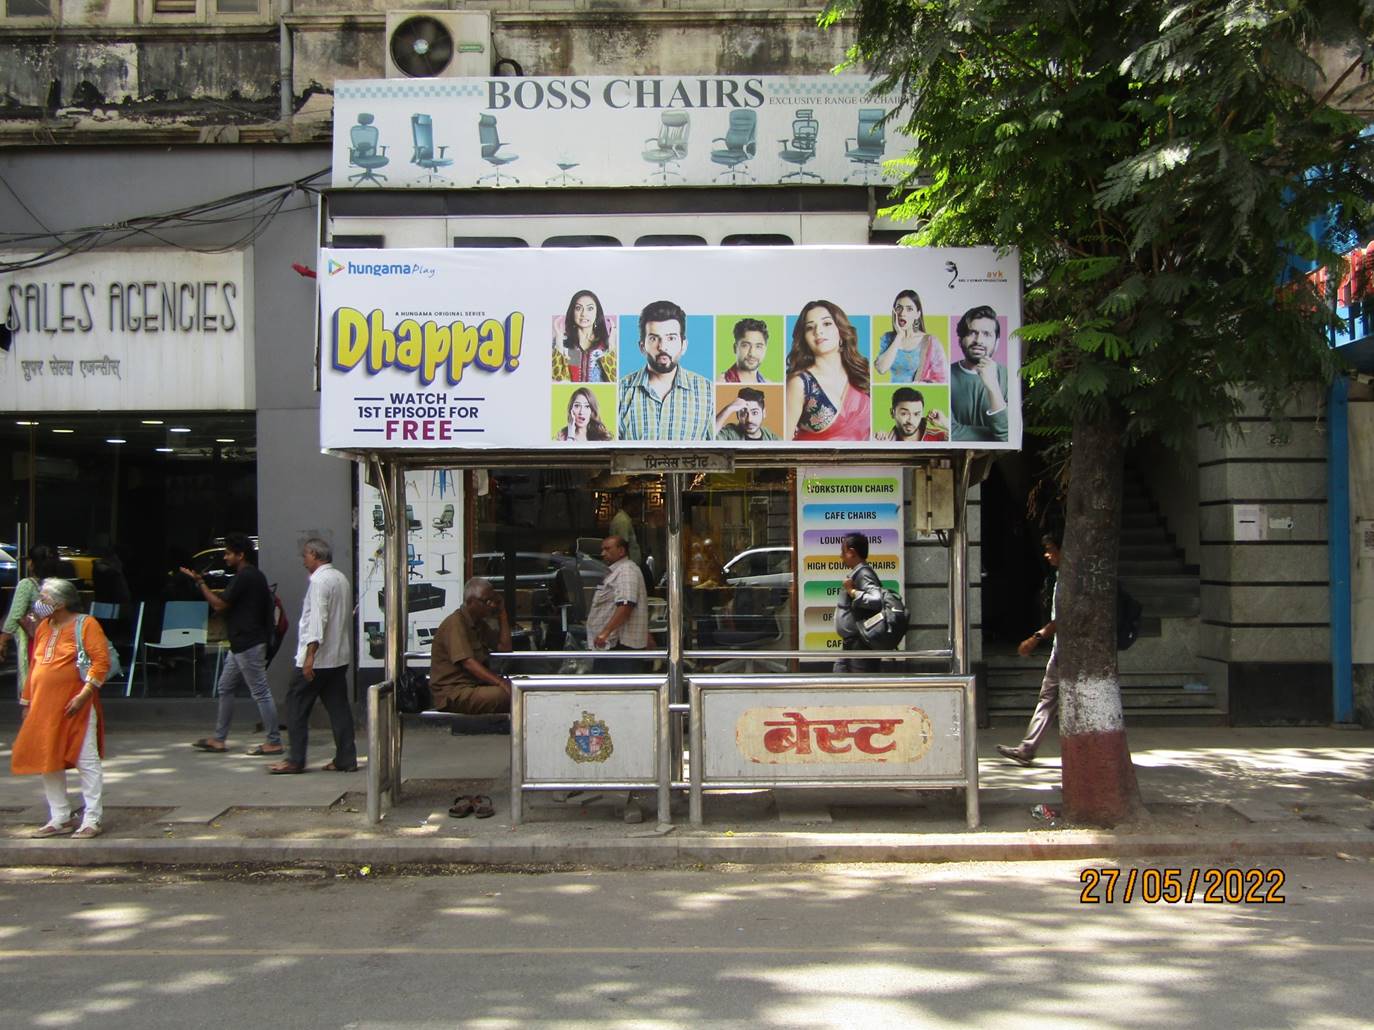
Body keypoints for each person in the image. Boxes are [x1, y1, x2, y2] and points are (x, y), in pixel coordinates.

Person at [10, 578, 110, 839]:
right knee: (48, 760)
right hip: (43, 707)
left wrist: (83, 694)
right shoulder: (44, 626)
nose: (39, 603)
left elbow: (100, 662)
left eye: (44, 598)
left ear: (61, 603)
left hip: (76, 705)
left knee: (86, 760)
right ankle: (59, 817)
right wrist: (27, 703)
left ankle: (92, 818)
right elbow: (35, 666)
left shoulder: (86, 624)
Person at [184, 532, 283, 756]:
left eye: (229, 553)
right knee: (226, 686)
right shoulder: (254, 576)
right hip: (243, 643)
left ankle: (274, 740)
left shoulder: (245, 577)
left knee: (260, 691)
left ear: (241, 555)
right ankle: (219, 738)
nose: (225, 558)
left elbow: (220, 605)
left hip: (247, 642)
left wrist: (201, 584)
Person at [271, 538, 356, 775]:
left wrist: (310, 657)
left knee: (296, 705)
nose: (303, 561)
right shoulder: (341, 578)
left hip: (317, 658)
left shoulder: (319, 581)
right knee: (339, 708)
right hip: (338, 657)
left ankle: (295, 759)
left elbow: (318, 621)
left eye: (305, 556)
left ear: (314, 555)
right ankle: (345, 758)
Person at [998, 535, 1061, 766]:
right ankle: (1027, 748)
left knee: (1050, 698)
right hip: (1061, 650)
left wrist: (1036, 637)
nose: (1047, 554)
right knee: (1048, 697)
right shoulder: (1060, 576)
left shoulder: (1072, 578)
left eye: (1051, 549)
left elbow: (1062, 618)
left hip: (1071, 652)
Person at [617, 299, 713, 440]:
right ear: (642, 347)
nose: (662, 346)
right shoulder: (620, 391)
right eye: (654, 339)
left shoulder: (708, 392)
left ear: (683, 345)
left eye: (671, 338)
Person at [785, 299, 871, 441]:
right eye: (809, 327)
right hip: (811, 462)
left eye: (827, 323)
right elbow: (782, 445)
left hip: (864, 462)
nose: (818, 331)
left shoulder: (862, 374)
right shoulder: (800, 383)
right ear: (804, 338)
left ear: (841, 331)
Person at [429, 577, 514, 715]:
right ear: (470, 602)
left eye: (494, 600)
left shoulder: (479, 624)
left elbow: (505, 648)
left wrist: (502, 613)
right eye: (487, 601)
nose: (491, 605)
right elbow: (468, 663)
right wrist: (499, 682)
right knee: (510, 695)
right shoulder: (455, 623)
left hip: (474, 687)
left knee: (522, 687)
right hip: (454, 693)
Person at [1, 544, 61, 702]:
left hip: (35, 643)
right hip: (58, 640)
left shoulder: (27, 585)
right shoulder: (62, 586)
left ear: (32, 563)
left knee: (34, 688)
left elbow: (15, 615)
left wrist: (3, 640)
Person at [587, 535, 649, 672]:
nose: (603, 553)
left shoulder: (626, 570)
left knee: (617, 689)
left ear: (621, 551)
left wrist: (605, 633)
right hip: (611, 645)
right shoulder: (616, 571)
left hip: (620, 645)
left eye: (607, 549)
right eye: (602, 549)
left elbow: (626, 605)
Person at [950, 304, 1009, 442]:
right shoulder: (944, 375)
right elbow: (950, 432)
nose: (979, 340)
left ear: (997, 342)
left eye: (987, 334)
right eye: (972, 333)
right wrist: (993, 435)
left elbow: (1007, 435)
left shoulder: (1008, 376)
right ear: (960, 340)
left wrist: (993, 386)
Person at [833, 531, 883, 673]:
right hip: (852, 643)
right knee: (837, 682)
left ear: (852, 552)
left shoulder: (864, 574)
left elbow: (877, 599)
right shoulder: (858, 573)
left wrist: (852, 592)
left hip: (860, 645)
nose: (841, 556)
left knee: (861, 685)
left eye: (843, 551)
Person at [874, 290, 948, 383]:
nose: (902, 313)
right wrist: (899, 335)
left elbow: (943, 379)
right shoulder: (888, 338)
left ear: (917, 314)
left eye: (909, 309)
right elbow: (881, 368)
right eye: (899, 308)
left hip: (917, 394)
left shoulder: (930, 341)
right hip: (892, 392)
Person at [552, 289, 616, 383]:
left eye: (590, 308)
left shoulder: (605, 344)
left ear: (597, 313)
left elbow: (614, 380)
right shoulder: (567, 344)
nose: (584, 314)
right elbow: (558, 378)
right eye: (578, 308)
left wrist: (611, 346)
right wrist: (558, 341)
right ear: (572, 312)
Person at [874, 387, 950, 442]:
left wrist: (945, 423)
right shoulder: (885, 440)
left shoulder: (940, 437)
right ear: (892, 413)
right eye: (904, 414)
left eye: (916, 414)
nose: (911, 421)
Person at [715, 386, 780, 441]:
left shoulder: (770, 437)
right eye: (743, 413)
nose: (749, 419)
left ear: (764, 413)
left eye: (755, 413)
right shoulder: (729, 433)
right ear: (738, 415)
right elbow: (708, 437)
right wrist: (729, 409)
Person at [722, 318, 770, 383]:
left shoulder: (768, 383)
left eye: (758, 346)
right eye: (745, 345)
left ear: (765, 349)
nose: (752, 353)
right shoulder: (721, 382)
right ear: (735, 348)